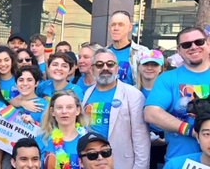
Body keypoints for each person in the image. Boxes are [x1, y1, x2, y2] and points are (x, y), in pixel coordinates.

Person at [144, 27, 209, 160]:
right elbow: (151, 113)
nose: (193, 47)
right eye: (186, 45)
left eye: (199, 42)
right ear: (179, 50)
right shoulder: (168, 78)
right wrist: (190, 130)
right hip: (180, 160)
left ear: (208, 43)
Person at [81, 48, 149, 168]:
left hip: (121, 162)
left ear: (117, 68)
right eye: (99, 65)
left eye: (110, 64)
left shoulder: (133, 95)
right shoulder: (87, 93)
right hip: (92, 162)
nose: (105, 68)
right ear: (92, 70)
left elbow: (141, 139)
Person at [36, 90, 88, 169]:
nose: (64, 111)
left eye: (69, 107)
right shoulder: (42, 140)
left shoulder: (89, 139)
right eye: (59, 107)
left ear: (78, 110)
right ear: (52, 111)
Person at [136, 49, 167, 169]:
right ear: (139, 67)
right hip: (139, 141)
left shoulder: (168, 91)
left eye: (154, 64)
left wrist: (165, 139)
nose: (149, 68)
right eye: (146, 64)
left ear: (161, 68)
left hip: (164, 141)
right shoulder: (131, 91)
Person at [107, 11, 149, 86]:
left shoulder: (141, 52)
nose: (116, 28)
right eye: (113, 25)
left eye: (120, 25)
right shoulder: (104, 53)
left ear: (130, 27)